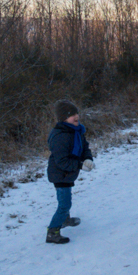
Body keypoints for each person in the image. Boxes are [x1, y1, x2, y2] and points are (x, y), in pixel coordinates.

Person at [45, 100, 94, 244]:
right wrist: (79, 165)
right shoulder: (60, 135)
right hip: (60, 174)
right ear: (63, 118)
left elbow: (84, 147)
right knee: (64, 204)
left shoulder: (76, 131)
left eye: (76, 113)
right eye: (71, 114)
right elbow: (61, 161)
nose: (76, 116)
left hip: (67, 173)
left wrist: (87, 158)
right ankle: (52, 232)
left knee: (65, 201)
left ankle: (65, 220)